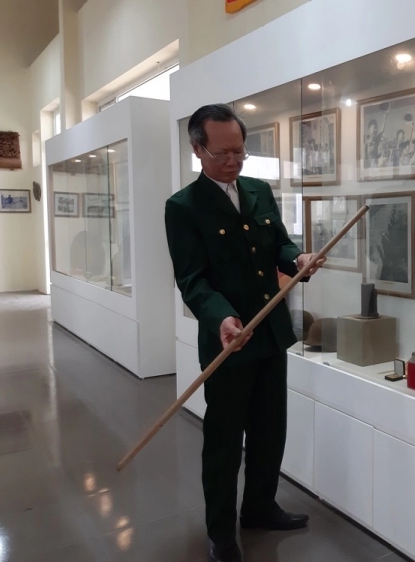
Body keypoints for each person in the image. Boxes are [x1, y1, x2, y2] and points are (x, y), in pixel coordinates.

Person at [164, 104, 325, 562]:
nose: (233, 161)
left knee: (270, 430)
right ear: (198, 149)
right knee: (224, 441)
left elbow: (279, 244)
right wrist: (221, 318)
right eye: (222, 154)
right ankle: (220, 531)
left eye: (240, 151)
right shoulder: (183, 207)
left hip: (270, 333)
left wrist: (297, 259)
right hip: (228, 343)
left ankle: (259, 507)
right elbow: (192, 280)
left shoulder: (258, 190)